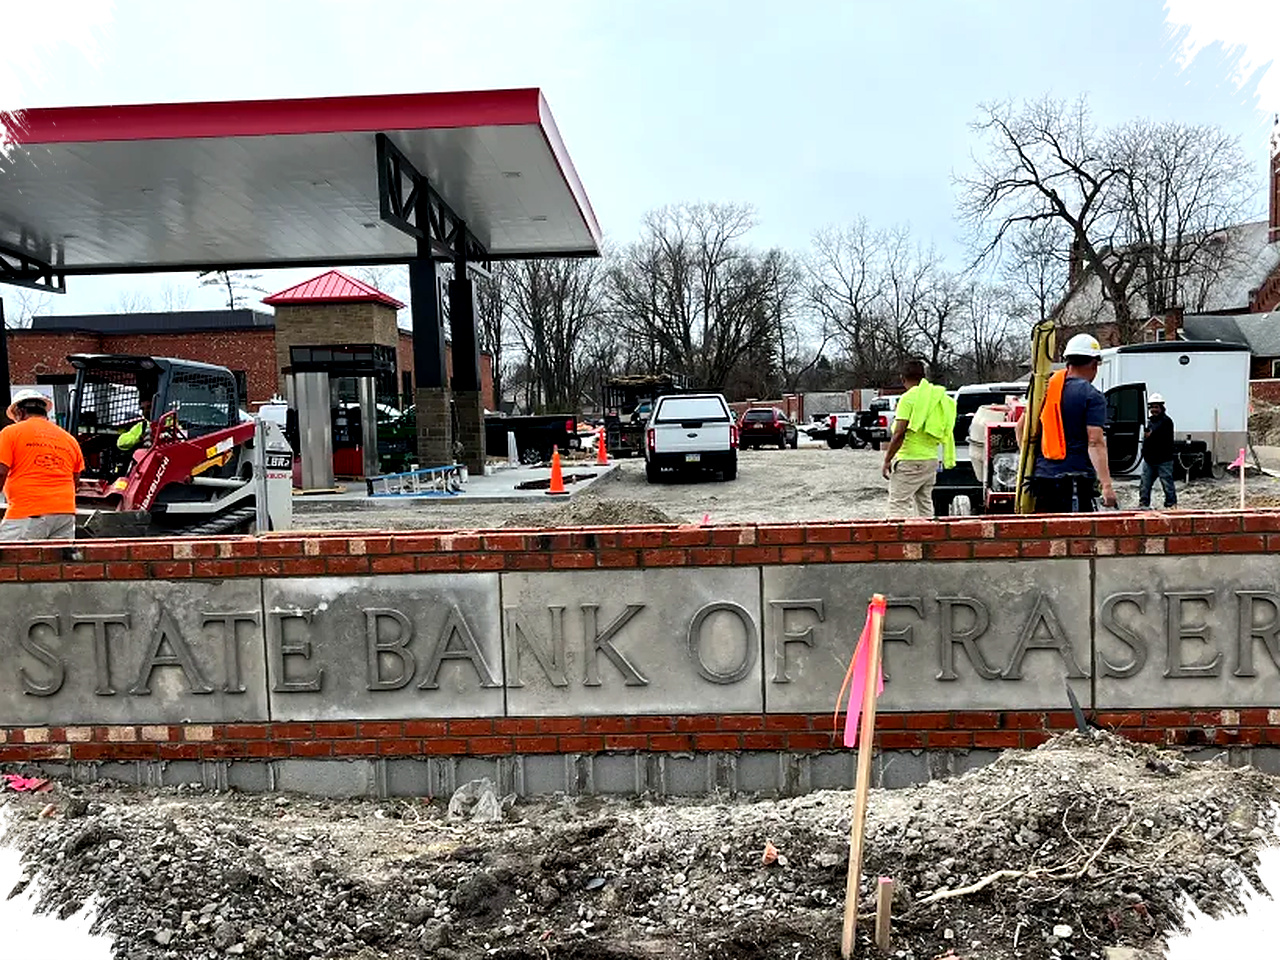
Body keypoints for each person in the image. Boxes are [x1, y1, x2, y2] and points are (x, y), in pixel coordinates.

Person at [1032, 333, 1118, 513]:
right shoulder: (1092, 396)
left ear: (1067, 362)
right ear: (1094, 364)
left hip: (1042, 480)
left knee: (1047, 529)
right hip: (1074, 481)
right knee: (1075, 531)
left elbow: (1021, 428)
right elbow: (1095, 442)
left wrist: (1035, 466)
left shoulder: (1045, 389)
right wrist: (1106, 486)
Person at [0, 389, 85, 541]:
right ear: (45, 412)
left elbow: (1, 472)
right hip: (65, 514)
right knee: (56, 556)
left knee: (10, 554)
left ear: (20, 412)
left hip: (28, 512)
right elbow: (75, 480)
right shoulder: (69, 439)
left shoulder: (10, 433)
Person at [882, 359, 957, 517]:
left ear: (903, 378)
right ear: (923, 377)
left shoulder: (908, 399)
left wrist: (887, 459)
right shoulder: (938, 398)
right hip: (931, 460)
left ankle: (897, 533)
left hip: (910, 460)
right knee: (925, 504)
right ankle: (927, 532)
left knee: (898, 504)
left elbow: (899, 432)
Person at [1139, 393, 1176, 509]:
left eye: (1156, 407)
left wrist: (1151, 434)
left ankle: (1171, 504)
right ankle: (1143, 504)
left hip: (1164, 460)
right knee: (1145, 484)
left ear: (1161, 408)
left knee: (1167, 484)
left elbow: (1160, 436)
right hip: (1149, 460)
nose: (1154, 410)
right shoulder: (1149, 422)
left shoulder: (1166, 422)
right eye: (1152, 407)